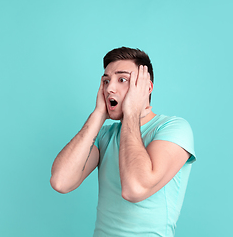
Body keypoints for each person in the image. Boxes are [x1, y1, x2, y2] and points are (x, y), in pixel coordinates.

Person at [50, 47, 196, 237]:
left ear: (147, 88)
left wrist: (131, 113)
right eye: (106, 81)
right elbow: (61, 182)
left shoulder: (174, 128)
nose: (110, 88)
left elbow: (135, 189)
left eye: (122, 79)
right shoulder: (104, 136)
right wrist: (98, 114)